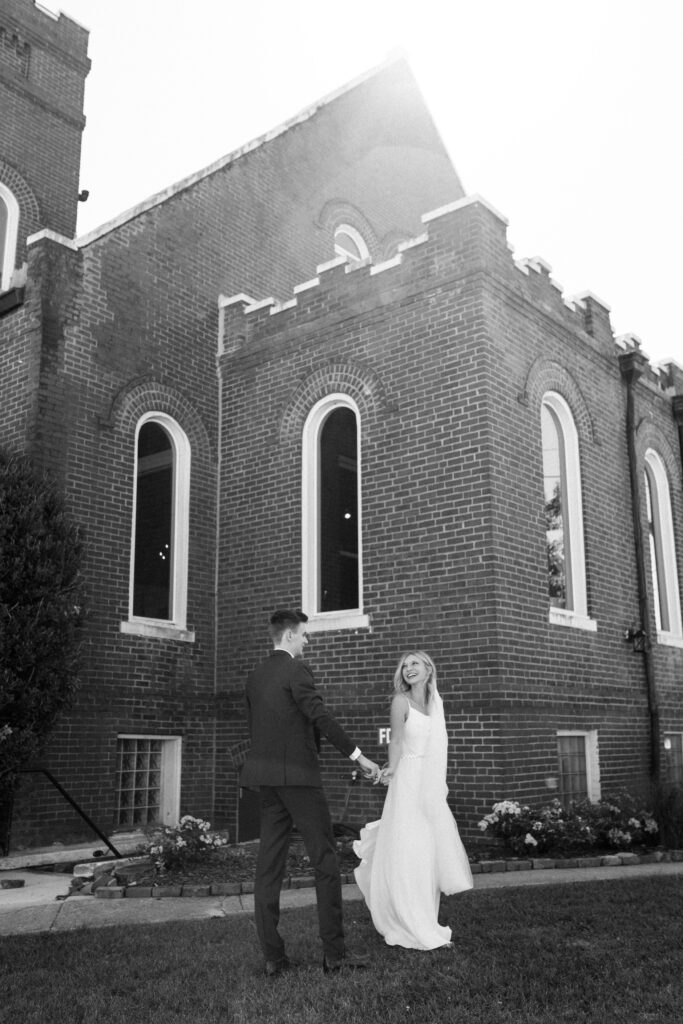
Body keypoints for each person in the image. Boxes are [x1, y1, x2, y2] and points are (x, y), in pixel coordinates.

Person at [240, 608, 381, 977]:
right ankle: (335, 955)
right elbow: (319, 715)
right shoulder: (296, 670)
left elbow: (261, 728)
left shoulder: (255, 676)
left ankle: (273, 957)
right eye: (303, 634)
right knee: (325, 861)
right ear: (288, 635)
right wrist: (359, 756)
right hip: (300, 780)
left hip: (266, 781)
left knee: (268, 867)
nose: (307, 640)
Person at [353, 651, 473, 949]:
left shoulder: (435, 704)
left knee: (427, 853)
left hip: (429, 784)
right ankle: (409, 923)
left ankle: (427, 921)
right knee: (408, 850)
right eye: (404, 666)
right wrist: (391, 767)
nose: (408, 669)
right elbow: (395, 739)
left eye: (414, 664)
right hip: (407, 781)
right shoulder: (400, 701)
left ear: (428, 669)